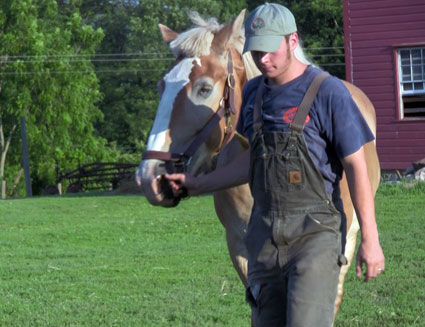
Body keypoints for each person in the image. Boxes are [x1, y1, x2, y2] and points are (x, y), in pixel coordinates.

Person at [166, 3, 385, 326]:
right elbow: (254, 161)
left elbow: (357, 166)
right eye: (256, 52)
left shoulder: (328, 93)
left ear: (292, 41)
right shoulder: (254, 94)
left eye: (271, 50)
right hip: (265, 239)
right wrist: (196, 184)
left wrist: (371, 237)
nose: (263, 59)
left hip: (314, 238)